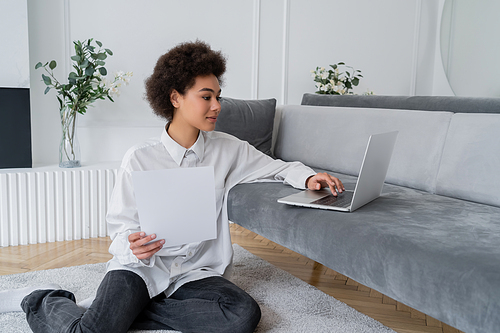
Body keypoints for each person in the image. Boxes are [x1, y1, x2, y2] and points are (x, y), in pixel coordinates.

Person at [0, 40, 344, 333]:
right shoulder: (140, 158)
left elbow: (277, 168)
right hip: (141, 269)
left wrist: (309, 177)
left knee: (242, 317)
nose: (217, 106)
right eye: (206, 97)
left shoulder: (228, 149)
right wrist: (132, 247)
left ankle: (126, 312)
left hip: (195, 274)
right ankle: (40, 297)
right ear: (175, 97)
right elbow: (120, 230)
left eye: (218, 96)